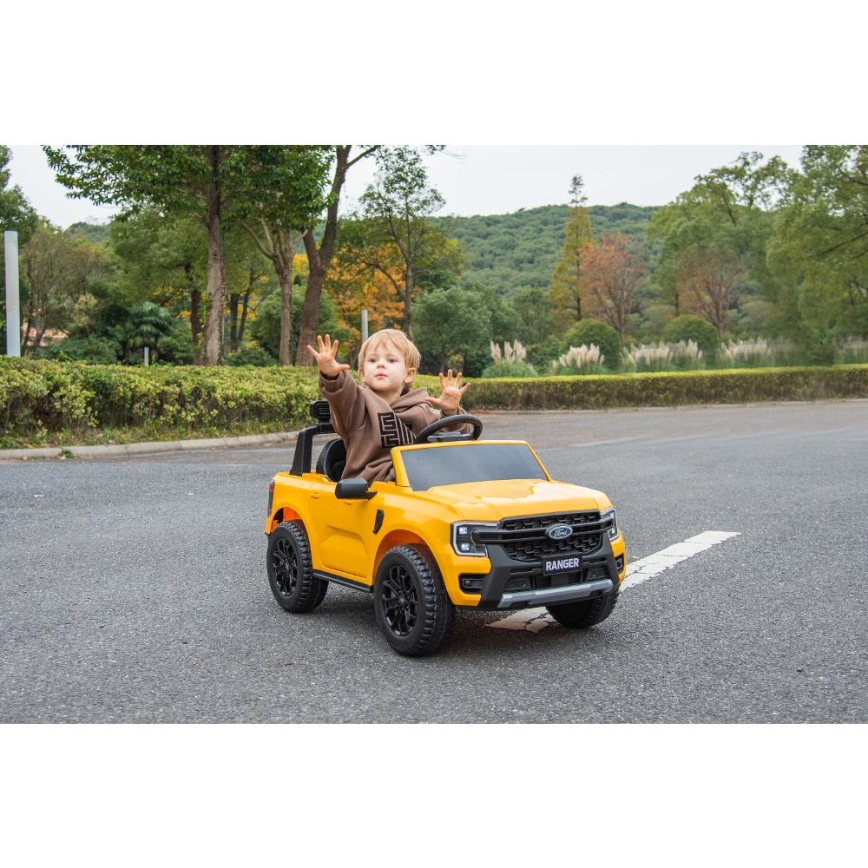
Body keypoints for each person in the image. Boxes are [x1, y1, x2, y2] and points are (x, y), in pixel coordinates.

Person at [307, 329, 471, 483]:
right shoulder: (356, 405)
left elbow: (454, 442)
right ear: (362, 373)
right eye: (373, 360)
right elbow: (342, 395)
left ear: (409, 374)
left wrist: (450, 412)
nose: (380, 364)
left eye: (391, 360)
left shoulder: (422, 408)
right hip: (368, 487)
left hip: (417, 483)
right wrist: (332, 376)